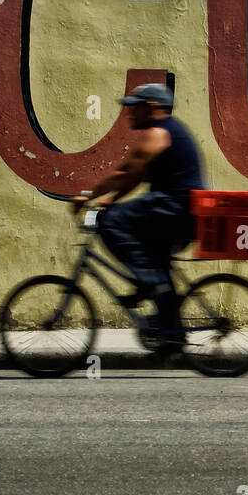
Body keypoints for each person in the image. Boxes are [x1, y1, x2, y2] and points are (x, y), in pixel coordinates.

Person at [71, 83, 206, 332]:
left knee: (110, 222)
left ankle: (149, 283)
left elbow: (126, 171)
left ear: (151, 108)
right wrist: (112, 197)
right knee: (156, 262)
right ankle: (170, 334)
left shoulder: (158, 133)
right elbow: (136, 176)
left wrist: (87, 195)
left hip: (175, 207)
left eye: (135, 107)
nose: (129, 113)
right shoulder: (169, 131)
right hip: (179, 212)